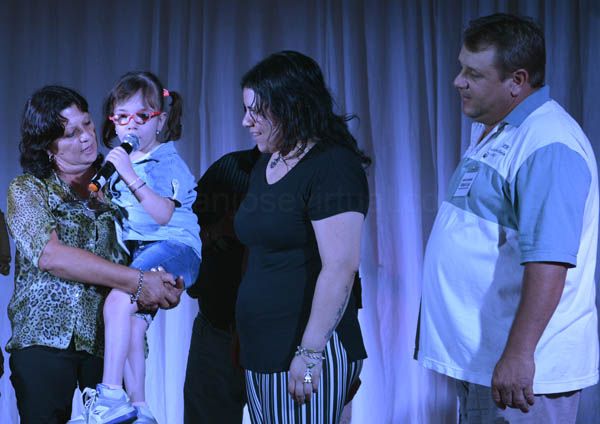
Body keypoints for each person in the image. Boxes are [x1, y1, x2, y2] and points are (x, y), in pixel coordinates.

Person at [416, 13, 599, 423]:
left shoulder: (548, 144)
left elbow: (549, 261)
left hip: (525, 377)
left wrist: (518, 354)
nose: (457, 81)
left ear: (517, 81)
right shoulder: (498, 130)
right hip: (485, 362)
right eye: (461, 68)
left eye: (473, 73)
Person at [5, 85, 181, 424]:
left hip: (108, 342)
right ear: (47, 146)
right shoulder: (28, 189)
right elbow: (51, 256)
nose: (86, 137)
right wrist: (138, 280)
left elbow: (153, 243)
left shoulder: (124, 183)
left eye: (86, 123)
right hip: (44, 337)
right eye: (70, 133)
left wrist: (164, 281)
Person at [234, 50, 371, 423]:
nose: (246, 121)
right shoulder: (267, 161)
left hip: (306, 352)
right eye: (245, 110)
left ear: (291, 107)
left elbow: (340, 267)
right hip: (262, 350)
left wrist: (310, 354)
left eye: (256, 111)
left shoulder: (332, 165)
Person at [70, 71, 201, 424]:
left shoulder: (165, 160)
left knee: (118, 299)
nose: (132, 125)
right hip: (142, 249)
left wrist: (128, 173)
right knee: (133, 324)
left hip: (175, 245)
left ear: (160, 121)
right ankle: (140, 408)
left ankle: (111, 393)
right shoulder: (123, 160)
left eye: (143, 116)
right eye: (123, 117)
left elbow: (162, 214)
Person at [184, 146, 260, 423]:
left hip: (281, 337)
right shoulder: (230, 168)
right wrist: (219, 232)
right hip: (217, 330)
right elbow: (187, 229)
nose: (249, 124)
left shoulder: (309, 174)